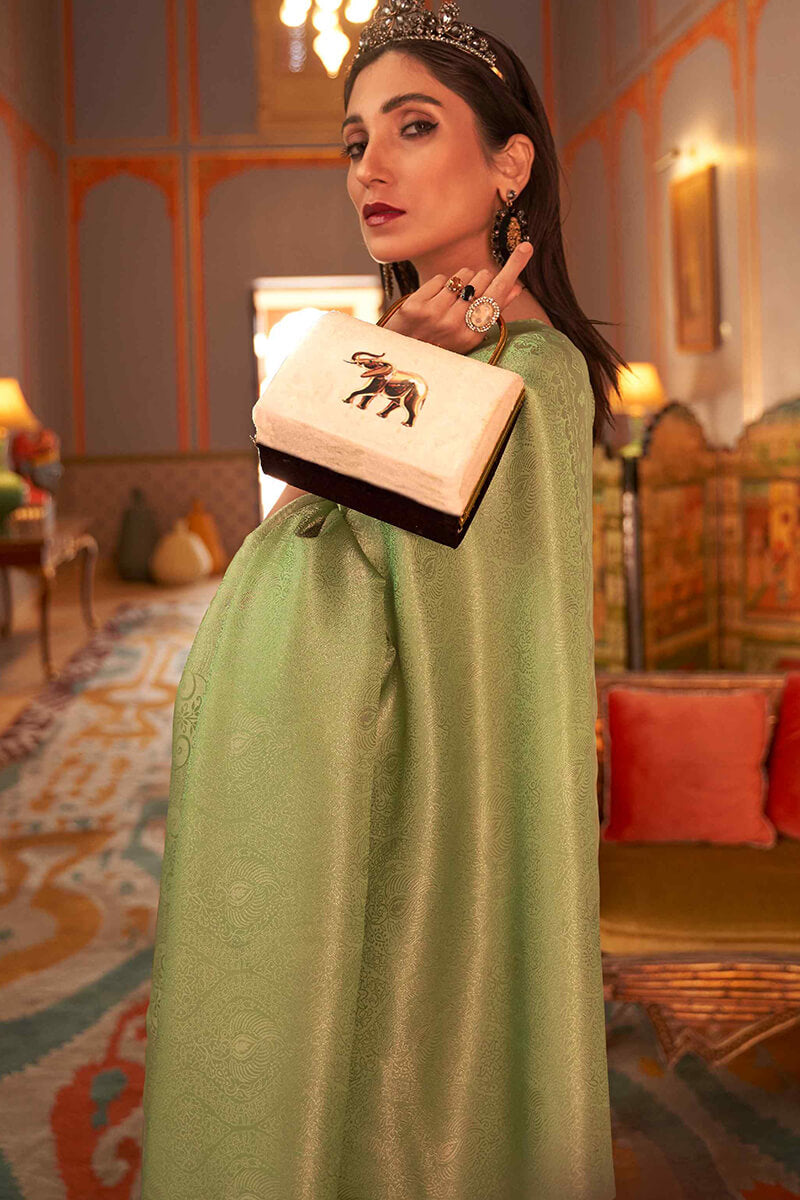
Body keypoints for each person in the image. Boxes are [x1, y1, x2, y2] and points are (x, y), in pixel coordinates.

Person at [140, 2, 626, 1197]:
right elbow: (304, 534)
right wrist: (400, 358)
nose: (370, 167)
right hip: (333, 786)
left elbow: (468, 657)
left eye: (413, 127)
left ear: (509, 165)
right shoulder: (412, 349)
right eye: (354, 141)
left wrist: (400, 369)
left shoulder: (532, 375)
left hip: (428, 829)